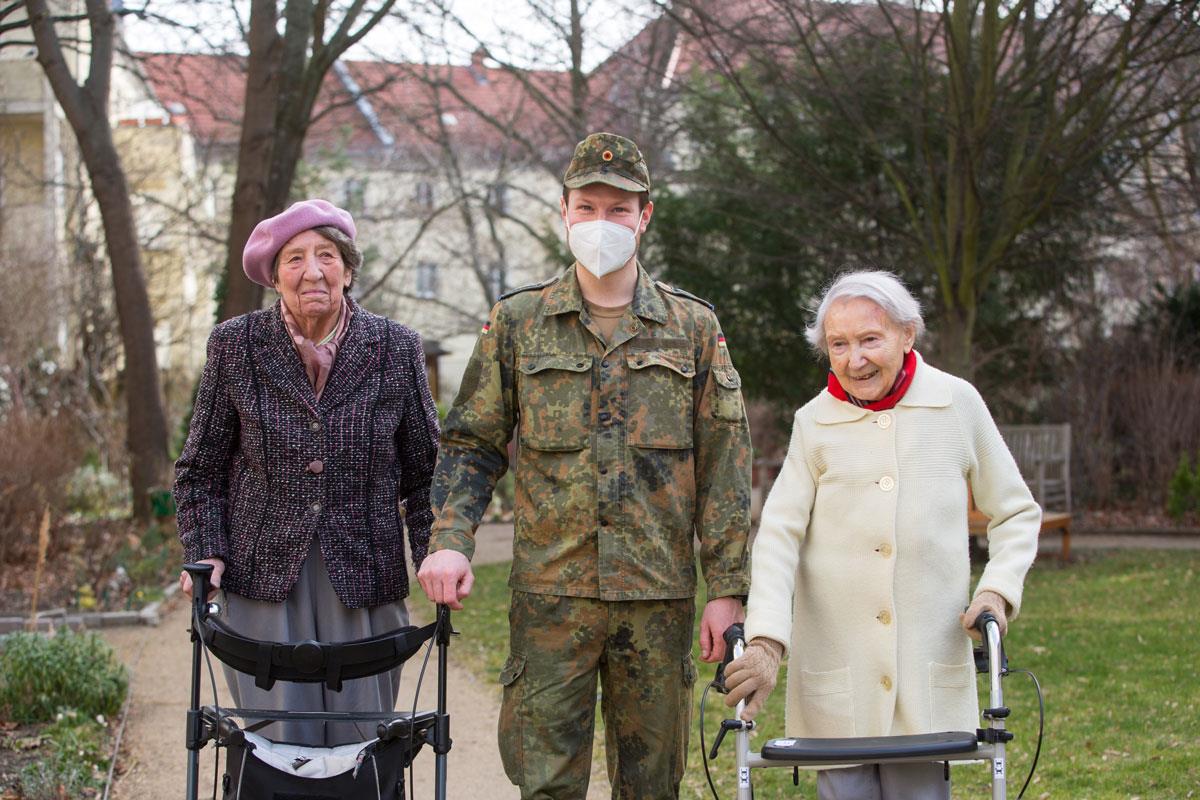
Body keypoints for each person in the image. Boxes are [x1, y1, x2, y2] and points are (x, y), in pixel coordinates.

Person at [417, 132, 753, 799]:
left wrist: (727, 588)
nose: (604, 222)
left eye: (620, 209)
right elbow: (472, 443)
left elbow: (725, 469)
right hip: (552, 599)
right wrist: (450, 541)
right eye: (589, 207)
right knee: (545, 785)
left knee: (651, 786)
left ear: (645, 215)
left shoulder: (691, 328)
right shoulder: (517, 323)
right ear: (565, 211)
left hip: (656, 598)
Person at [722, 270, 1040, 800]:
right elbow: (778, 536)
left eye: (871, 339)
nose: (855, 359)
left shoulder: (955, 403)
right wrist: (767, 641)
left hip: (927, 667)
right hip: (838, 673)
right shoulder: (814, 423)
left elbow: (1016, 512)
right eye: (839, 345)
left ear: (907, 335)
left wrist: (997, 591)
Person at [174, 198, 440, 746]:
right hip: (262, 580)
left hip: (363, 577)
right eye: (294, 259)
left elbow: (424, 474)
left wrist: (435, 555)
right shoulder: (236, 346)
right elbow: (200, 469)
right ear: (274, 277)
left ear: (348, 268)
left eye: (327, 254)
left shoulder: (397, 347)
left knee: (361, 745)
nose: (312, 270)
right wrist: (207, 552)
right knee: (276, 745)